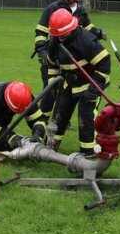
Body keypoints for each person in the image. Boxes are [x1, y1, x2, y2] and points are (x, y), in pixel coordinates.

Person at [33, 0, 106, 117]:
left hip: (73, 60)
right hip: (53, 57)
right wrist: (42, 52)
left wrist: (97, 32)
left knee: (67, 92)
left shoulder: (82, 11)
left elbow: (87, 28)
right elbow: (41, 31)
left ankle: (60, 120)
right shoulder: (52, 9)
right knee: (50, 91)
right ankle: (41, 120)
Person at [45, 8, 111, 156]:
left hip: (89, 84)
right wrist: (53, 85)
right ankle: (51, 144)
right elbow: (51, 65)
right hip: (69, 84)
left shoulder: (85, 40)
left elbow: (104, 63)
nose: (60, 37)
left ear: (71, 28)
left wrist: (93, 90)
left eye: (63, 34)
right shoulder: (54, 41)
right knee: (60, 114)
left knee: (85, 117)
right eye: (57, 35)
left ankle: (88, 151)